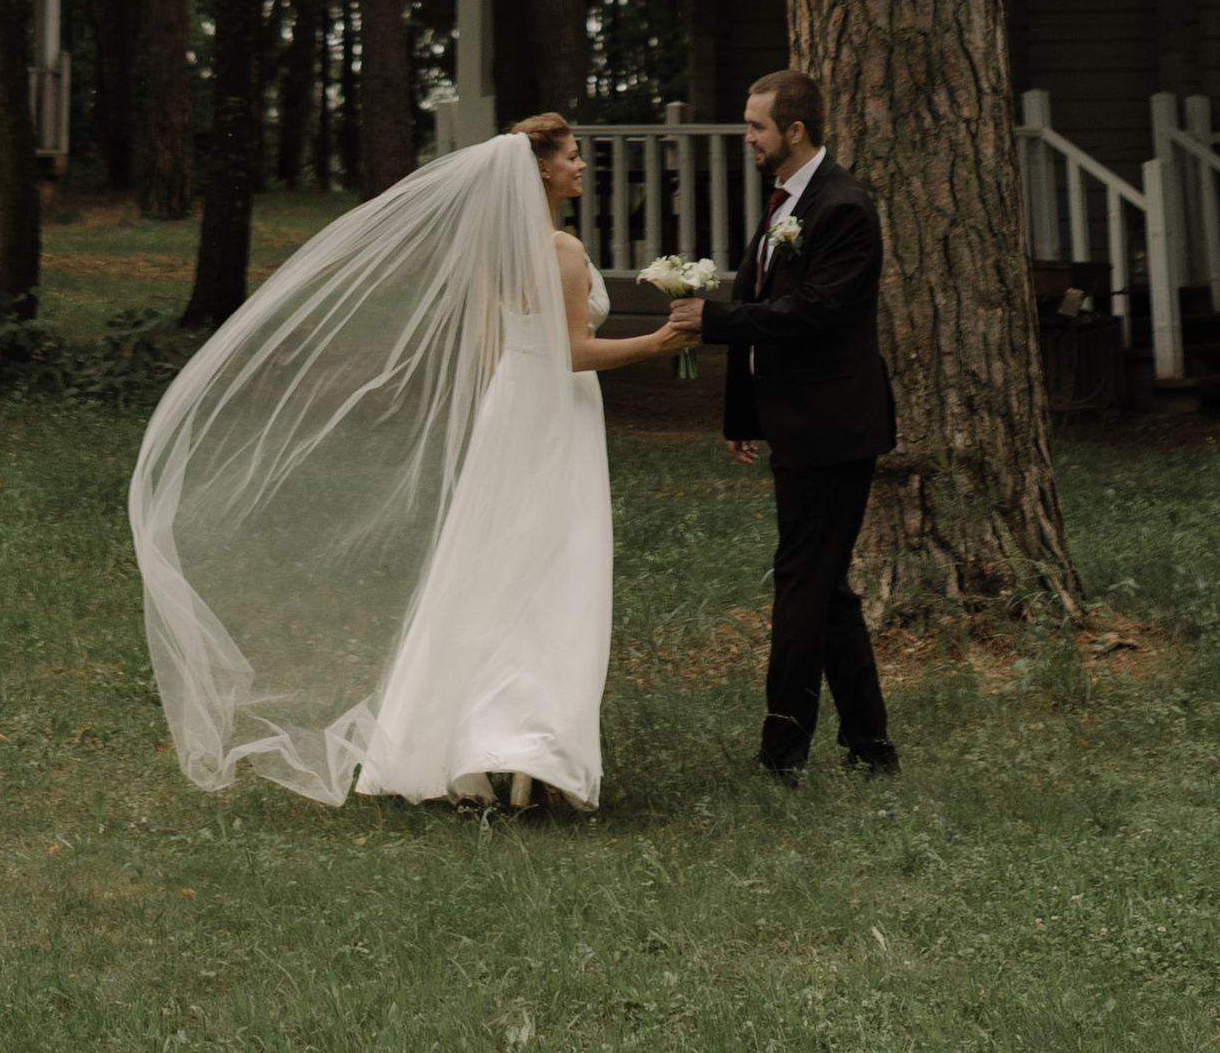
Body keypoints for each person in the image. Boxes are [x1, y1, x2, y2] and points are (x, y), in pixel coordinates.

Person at [129, 112, 686, 817]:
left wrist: (508, 408)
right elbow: (574, 352)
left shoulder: (497, 247)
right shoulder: (563, 249)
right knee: (557, 568)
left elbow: (495, 348)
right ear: (541, 168)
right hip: (558, 415)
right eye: (573, 156)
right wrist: (661, 340)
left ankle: (471, 744)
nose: (581, 165)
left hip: (511, 411)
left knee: (491, 569)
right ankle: (529, 748)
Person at [666, 69, 900, 783]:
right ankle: (870, 746)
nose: (747, 137)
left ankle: (781, 754)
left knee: (802, 583)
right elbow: (762, 294)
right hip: (797, 423)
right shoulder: (785, 202)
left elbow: (814, 312)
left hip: (836, 426)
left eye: (756, 126)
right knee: (824, 588)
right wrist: (745, 413)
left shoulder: (844, 206)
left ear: (794, 130)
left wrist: (714, 323)